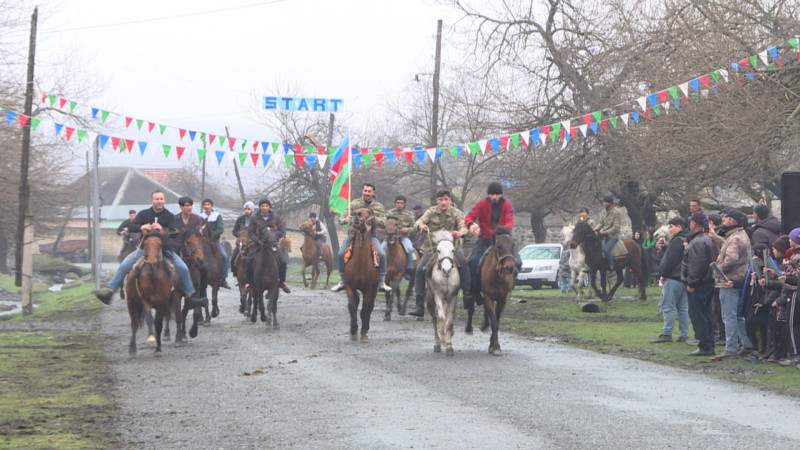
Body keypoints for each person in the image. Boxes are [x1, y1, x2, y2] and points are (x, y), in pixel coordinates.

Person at [94, 190, 207, 308]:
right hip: (145, 250)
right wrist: (141, 226)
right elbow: (131, 226)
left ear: (164, 200)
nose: (159, 201)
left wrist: (162, 230)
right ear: (152, 201)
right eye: (157, 199)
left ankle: (190, 297)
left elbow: (175, 233)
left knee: (183, 268)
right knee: (124, 265)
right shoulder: (143, 214)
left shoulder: (168, 216)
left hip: (164, 250)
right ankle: (110, 292)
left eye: (161, 199)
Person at [409, 188, 470, 318]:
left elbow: (463, 225)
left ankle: (467, 295)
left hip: (451, 247)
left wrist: (461, 233)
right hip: (433, 247)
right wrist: (421, 226)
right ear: (437, 201)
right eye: (441, 199)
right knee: (420, 270)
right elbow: (419, 221)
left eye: (446, 199)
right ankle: (419, 303)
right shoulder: (431, 212)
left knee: (464, 264)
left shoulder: (456, 213)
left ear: (450, 200)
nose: (443, 202)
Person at [330, 183, 391, 293]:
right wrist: (346, 219)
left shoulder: (378, 206)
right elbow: (342, 218)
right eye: (365, 191)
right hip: (354, 235)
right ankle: (342, 281)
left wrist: (373, 220)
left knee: (381, 254)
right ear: (362, 191)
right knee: (340, 254)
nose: (367, 193)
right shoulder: (354, 203)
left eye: (369, 191)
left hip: (371, 236)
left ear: (373, 192)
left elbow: (384, 222)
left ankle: (382, 282)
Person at [464, 182, 516, 308]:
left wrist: (503, 231)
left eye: (497, 194)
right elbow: (470, 217)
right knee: (473, 261)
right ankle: (474, 290)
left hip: (502, 240)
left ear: (501, 194)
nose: (494, 197)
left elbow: (509, 222)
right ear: (488, 195)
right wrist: (471, 225)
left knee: (518, 262)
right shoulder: (481, 204)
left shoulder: (507, 206)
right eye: (492, 194)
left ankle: (510, 285)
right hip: (484, 239)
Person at [715, 208, 755, 359]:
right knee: (737, 316)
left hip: (729, 280)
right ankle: (746, 344)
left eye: (726, 218)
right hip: (740, 278)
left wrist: (718, 269)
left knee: (729, 316)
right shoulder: (741, 235)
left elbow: (731, 259)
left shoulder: (735, 238)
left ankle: (731, 347)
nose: (723, 221)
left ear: (733, 221)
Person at [683, 211, 719, 356]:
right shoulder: (708, 240)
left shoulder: (698, 241)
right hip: (708, 281)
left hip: (699, 283)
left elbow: (697, 265)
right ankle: (708, 343)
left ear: (694, 224)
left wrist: (692, 282)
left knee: (698, 314)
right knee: (707, 314)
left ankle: (704, 345)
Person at [651, 217, 690, 343]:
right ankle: (684, 334)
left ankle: (667, 333)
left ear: (679, 227)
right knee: (683, 308)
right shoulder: (686, 240)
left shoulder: (677, 241)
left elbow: (671, 260)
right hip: (684, 278)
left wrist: (664, 274)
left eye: (671, 226)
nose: (669, 229)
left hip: (673, 277)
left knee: (668, 306)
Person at [245, 199, 291, 294]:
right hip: (259, 245)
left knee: (283, 261)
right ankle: (249, 283)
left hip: (272, 244)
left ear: (269, 207)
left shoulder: (275, 218)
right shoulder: (254, 218)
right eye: (263, 206)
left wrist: (273, 235)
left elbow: (281, 231)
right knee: (249, 261)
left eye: (266, 206)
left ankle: (282, 282)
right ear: (260, 207)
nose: (265, 207)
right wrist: (257, 240)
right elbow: (251, 232)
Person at [200, 199, 230, 289]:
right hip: (202, 242)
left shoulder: (217, 216)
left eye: (208, 204)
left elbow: (220, 229)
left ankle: (223, 278)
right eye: (205, 204)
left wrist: (212, 236)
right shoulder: (200, 216)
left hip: (214, 241)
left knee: (224, 256)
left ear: (211, 206)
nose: (206, 206)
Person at [382, 195, 416, 276]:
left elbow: (414, 227)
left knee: (410, 249)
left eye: (401, 203)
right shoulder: (390, 213)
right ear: (395, 203)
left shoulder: (409, 214)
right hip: (390, 237)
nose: (399, 205)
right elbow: (384, 224)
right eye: (398, 203)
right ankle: (380, 268)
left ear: (404, 204)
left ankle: (409, 267)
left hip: (403, 237)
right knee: (380, 249)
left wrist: (406, 230)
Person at [593, 195, 622, 270]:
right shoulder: (604, 211)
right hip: (602, 234)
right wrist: (596, 228)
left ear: (610, 203)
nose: (604, 204)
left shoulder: (616, 212)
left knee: (606, 250)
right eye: (604, 202)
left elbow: (616, 227)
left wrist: (605, 232)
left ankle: (611, 264)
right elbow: (601, 223)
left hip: (613, 236)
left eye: (606, 202)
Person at [230, 201, 255, 272]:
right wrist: (240, 235)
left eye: (248, 209)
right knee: (233, 258)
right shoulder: (240, 219)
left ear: (252, 210)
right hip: (241, 243)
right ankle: (235, 273)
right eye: (245, 209)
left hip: (252, 243)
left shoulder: (256, 219)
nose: (246, 211)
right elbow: (234, 231)